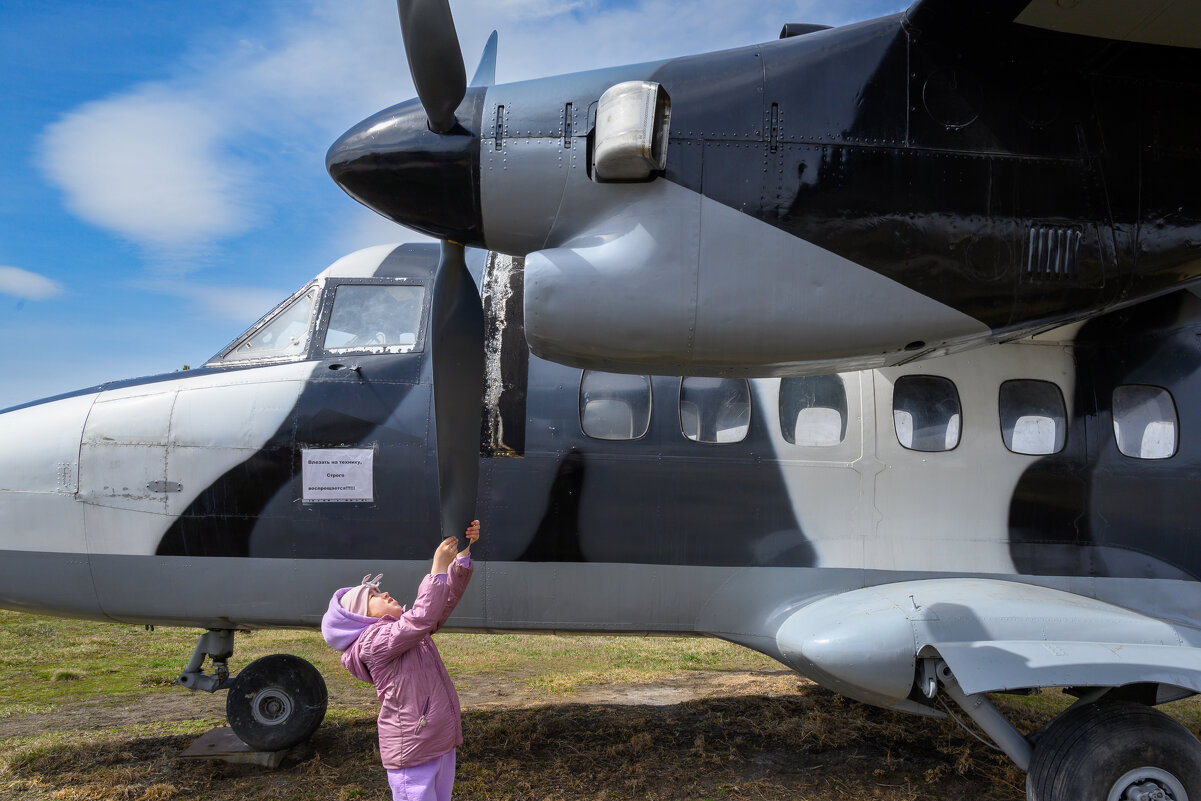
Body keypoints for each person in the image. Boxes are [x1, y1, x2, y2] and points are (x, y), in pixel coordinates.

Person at [321, 520, 480, 801]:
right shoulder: (374, 643)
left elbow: (441, 603)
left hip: (437, 740)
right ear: (361, 618)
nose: (384, 593)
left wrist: (461, 556)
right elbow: (423, 616)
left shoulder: (405, 632)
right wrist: (437, 568)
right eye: (373, 595)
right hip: (413, 750)